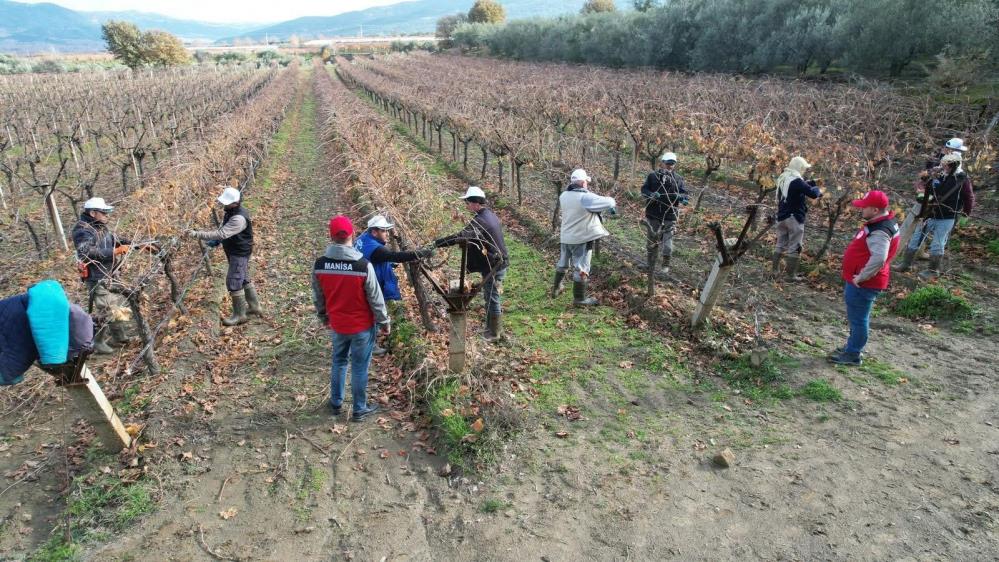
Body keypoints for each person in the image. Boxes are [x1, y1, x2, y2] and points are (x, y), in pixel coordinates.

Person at [312, 215, 390, 422]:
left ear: (331, 236)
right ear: (352, 234)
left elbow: (318, 296)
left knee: (338, 361)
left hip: (337, 324)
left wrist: (323, 317)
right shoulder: (363, 265)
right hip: (362, 326)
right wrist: (384, 322)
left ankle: (336, 402)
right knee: (359, 366)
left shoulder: (320, 264)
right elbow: (375, 297)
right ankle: (359, 408)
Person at [72, 197, 151, 354]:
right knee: (107, 310)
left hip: (109, 274)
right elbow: (86, 252)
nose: (107, 215)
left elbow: (114, 240)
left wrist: (137, 245)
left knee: (115, 306)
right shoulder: (83, 231)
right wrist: (114, 252)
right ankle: (98, 342)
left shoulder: (100, 226)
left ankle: (120, 337)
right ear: (93, 213)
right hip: (97, 276)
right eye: (104, 212)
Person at [829, 191, 900, 366]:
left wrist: (861, 277)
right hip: (862, 281)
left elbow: (879, 258)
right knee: (857, 317)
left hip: (864, 284)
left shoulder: (880, 231)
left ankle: (853, 353)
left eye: (864, 207)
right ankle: (851, 346)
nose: (861, 210)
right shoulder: (883, 223)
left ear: (875, 210)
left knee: (859, 319)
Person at [433, 186, 510, 341]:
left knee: (492, 297)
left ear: (476, 203)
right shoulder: (488, 215)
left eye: (468, 203)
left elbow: (461, 236)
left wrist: (437, 243)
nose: (466, 206)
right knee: (490, 296)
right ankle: (491, 328)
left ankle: (493, 333)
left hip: (494, 265)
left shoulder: (481, 220)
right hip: (495, 262)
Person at [354, 215, 433, 354]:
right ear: (374, 232)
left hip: (361, 281)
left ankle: (363, 341)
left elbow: (377, 258)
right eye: (384, 230)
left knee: (366, 312)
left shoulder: (362, 239)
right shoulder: (376, 248)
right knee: (370, 313)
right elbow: (396, 256)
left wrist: (388, 263)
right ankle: (368, 346)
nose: (387, 233)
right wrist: (420, 253)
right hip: (369, 285)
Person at [186, 187, 261, 326]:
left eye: (226, 202)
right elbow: (224, 232)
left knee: (233, 281)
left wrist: (198, 234)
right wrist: (217, 242)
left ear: (235, 202)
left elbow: (222, 233)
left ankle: (240, 315)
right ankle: (254, 306)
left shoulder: (238, 218)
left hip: (239, 252)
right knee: (242, 277)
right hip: (236, 250)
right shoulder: (231, 212)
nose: (223, 204)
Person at [893, 152, 973, 278]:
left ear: (953, 165)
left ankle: (932, 271)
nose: (944, 167)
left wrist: (965, 214)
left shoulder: (961, 179)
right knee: (916, 239)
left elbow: (969, 197)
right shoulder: (940, 175)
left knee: (937, 244)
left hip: (947, 216)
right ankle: (905, 264)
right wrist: (925, 184)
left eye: (947, 165)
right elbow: (929, 189)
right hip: (930, 213)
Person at [553, 169, 616, 306]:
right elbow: (609, 203)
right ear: (582, 183)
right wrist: (611, 200)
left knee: (563, 263)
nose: (587, 184)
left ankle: (556, 287)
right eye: (586, 182)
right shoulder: (585, 197)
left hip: (566, 236)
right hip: (581, 238)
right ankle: (579, 299)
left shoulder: (564, 195)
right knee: (581, 267)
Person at [772, 156, 823, 281]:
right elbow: (812, 193)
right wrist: (818, 189)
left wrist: (811, 182)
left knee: (780, 244)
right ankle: (791, 276)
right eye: (804, 168)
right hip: (794, 218)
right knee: (795, 246)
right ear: (799, 168)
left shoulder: (784, 177)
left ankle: (774, 271)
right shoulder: (797, 181)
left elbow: (800, 187)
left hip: (782, 216)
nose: (804, 170)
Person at [641, 152, 688, 276]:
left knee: (667, 240)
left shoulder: (678, 179)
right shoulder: (653, 176)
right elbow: (644, 190)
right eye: (668, 163)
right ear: (662, 163)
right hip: (654, 212)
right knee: (651, 239)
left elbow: (685, 194)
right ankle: (649, 263)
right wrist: (651, 194)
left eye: (672, 163)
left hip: (670, 213)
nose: (670, 166)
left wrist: (682, 197)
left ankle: (665, 265)